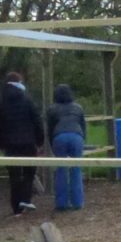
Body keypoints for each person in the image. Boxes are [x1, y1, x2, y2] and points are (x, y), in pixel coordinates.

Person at [0, 70, 44, 214]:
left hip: (10, 144)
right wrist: (40, 141)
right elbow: (37, 121)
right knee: (29, 172)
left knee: (14, 175)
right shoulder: (27, 100)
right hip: (28, 142)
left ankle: (16, 208)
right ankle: (25, 199)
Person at [46, 83, 87, 212]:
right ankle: (78, 202)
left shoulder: (52, 109)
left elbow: (50, 128)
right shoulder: (78, 107)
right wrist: (82, 139)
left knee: (61, 170)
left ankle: (61, 203)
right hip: (76, 136)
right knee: (76, 169)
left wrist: (53, 144)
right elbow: (83, 126)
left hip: (59, 137)